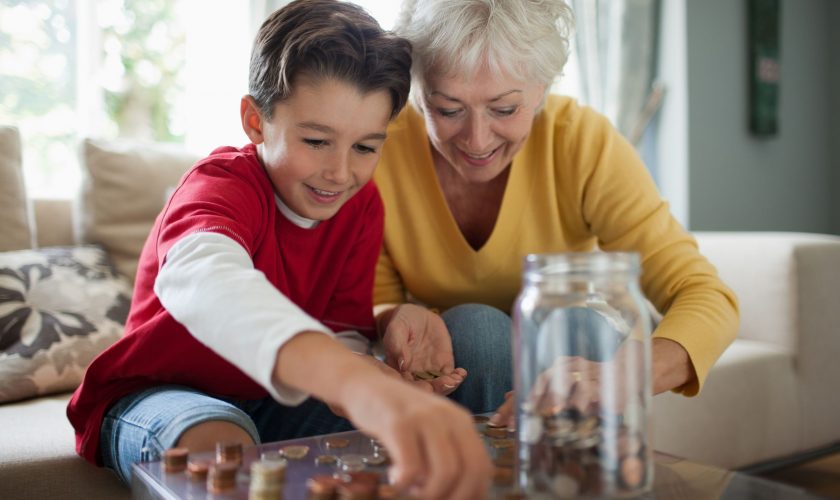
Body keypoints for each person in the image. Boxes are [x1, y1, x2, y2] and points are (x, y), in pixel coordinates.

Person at [67, 1, 491, 498]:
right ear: (254, 120)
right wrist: (351, 383)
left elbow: (342, 332)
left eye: (365, 147)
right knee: (219, 444)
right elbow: (209, 282)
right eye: (316, 140)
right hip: (161, 393)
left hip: (271, 397)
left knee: (387, 438)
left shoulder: (361, 207)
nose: (340, 172)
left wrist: (368, 370)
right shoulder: (219, 187)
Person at [373, 0, 739, 422]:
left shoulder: (581, 142)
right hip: (461, 351)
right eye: (448, 109)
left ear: (542, 88)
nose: (476, 141)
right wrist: (397, 316)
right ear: (417, 94)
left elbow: (706, 295)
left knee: (568, 324)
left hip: (574, 342)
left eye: (505, 109)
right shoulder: (382, 149)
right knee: (478, 332)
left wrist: (629, 374)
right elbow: (378, 300)